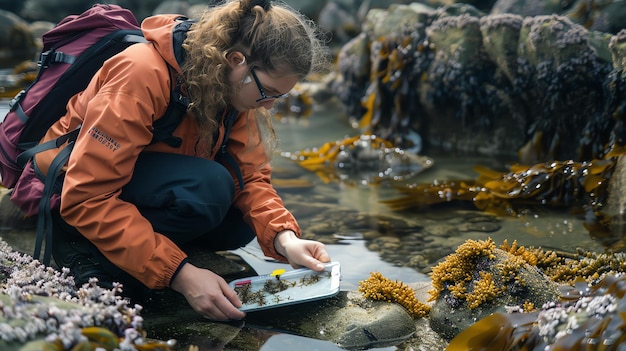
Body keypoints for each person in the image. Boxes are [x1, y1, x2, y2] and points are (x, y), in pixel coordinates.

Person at [29, 0, 332, 321]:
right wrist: (181, 274)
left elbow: (251, 176)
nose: (269, 106)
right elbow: (86, 197)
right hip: (72, 191)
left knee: (237, 223)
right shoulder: (140, 73)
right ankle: (80, 244)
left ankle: (142, 248)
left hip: (147, 178)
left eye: (279, 97)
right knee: (208, 187)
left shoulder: (229, 88)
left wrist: (286, 239)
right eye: (268, 92)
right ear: (236, 61)